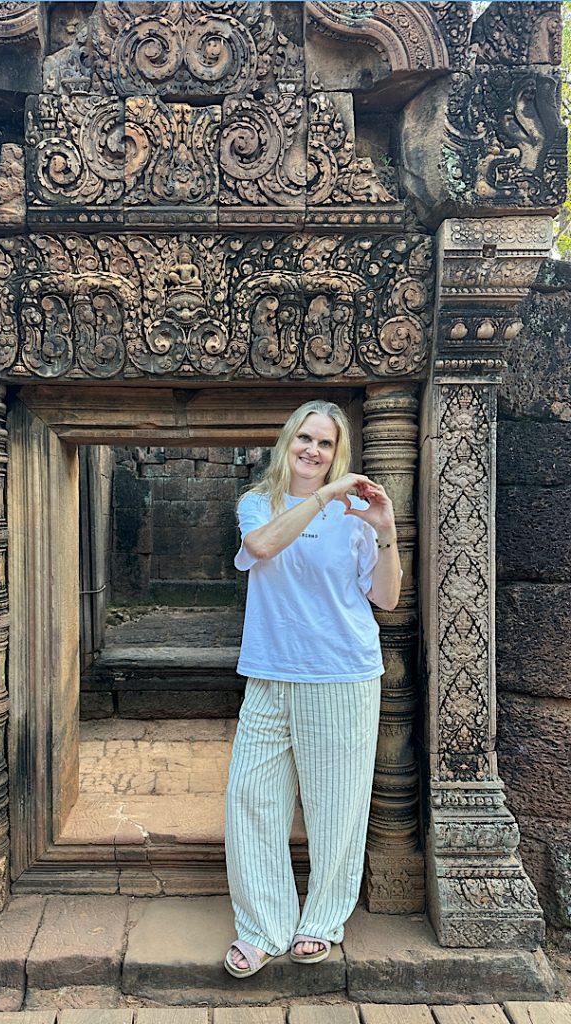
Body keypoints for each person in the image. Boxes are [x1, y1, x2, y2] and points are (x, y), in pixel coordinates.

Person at [224, 399, 401, 978]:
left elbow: (387, 598)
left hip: (342, 672)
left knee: (336, 808)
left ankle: (321, 919)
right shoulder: (257, 504)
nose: (313, 450)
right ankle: (263, 925)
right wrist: (324, 497)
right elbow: (263, 547)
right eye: (305, 438)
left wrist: (385, 531)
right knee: (252, 799)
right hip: (271, 673)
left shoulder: (357, 517)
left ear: (337, 453)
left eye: (325, 444)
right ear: (287, 442)